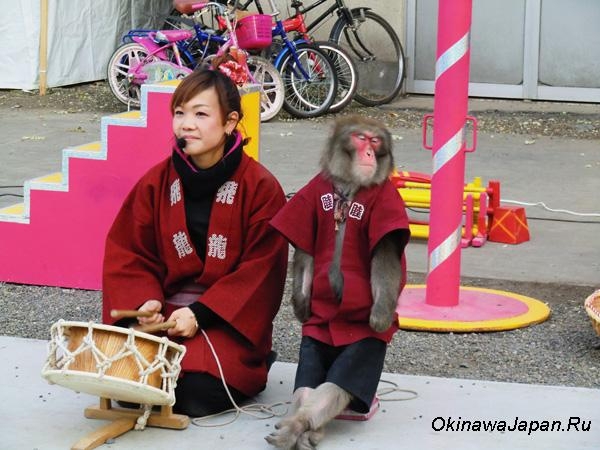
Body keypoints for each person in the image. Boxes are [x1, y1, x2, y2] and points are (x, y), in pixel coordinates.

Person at [102, 67, 288, 417]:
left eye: (201, 114)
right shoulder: (156, 181)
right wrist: (143, 301)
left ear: (230, 122)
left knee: (193, 394)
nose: (187, 124)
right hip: (165, 312)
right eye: (179, 113)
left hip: (223, 319)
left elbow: (261, 271)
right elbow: (129, 252)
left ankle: (255, 360)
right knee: (130, 387)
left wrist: (201, 313)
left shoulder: (261, 188)